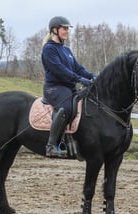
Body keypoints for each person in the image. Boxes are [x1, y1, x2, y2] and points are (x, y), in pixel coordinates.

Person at [41, 16, 95, 157]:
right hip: (54, 87)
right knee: (67, 108)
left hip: (68, 87)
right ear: (55, 30)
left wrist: (92, 76)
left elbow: (78, 68)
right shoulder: (49, 49)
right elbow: (60, 70)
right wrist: (80, 80)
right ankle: (51, 146)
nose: (67, 31)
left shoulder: (67, 50)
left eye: (67, 29)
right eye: (64, 29)